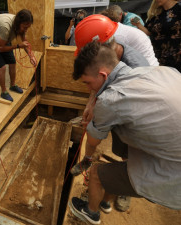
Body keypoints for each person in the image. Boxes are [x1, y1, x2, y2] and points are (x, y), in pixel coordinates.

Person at [69, 41, 181, 225]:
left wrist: (93, 124)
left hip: (172, 173)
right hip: (171, 147)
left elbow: (93, 141)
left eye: (88, 83)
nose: (88, 89)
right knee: (125, 158)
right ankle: (105, 202)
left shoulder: (111, 100)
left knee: (97, 173)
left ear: (103, 74)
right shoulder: (158, 70)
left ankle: (91, 212)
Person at [72, 14, 150, 212]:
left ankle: (119, 191)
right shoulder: (111, 53)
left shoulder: (137, 70)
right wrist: (92, 103)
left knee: (125, 160)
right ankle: (106, 198)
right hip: (128, 110)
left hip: (145, 127)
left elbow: (96, 136)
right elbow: (101, 81)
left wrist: (96, 119)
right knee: (120, 151)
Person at [0, 9, 37, 101]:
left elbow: (24, 42)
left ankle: (12, 85)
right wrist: (18, 46)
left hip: (3, 42)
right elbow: (1, 48)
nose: (26, 29)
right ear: (18, 23)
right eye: (25, 27)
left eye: (27, 27)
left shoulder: (21, 25)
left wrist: (31, 56)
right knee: (2, 67)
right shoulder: (6, 27)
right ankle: (3, 92)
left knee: (12, 62)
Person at [133, 0, 181, 72]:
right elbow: (150, 32)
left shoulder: (179, 10)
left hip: (176, 58)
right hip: (158, 58)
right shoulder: (158, 13)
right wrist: (138, 25)